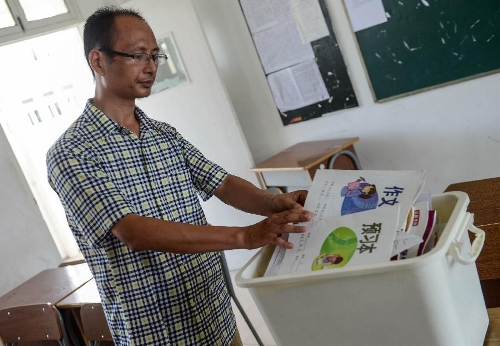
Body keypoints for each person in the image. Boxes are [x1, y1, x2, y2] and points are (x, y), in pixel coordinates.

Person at [46, 6, 313, 346]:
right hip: (156, 333)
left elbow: (222, 182)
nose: (152, 67)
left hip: (212, 314)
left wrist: (274, 202)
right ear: (98, 61)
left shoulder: (164, 135)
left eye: (156, 56)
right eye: (138, 55)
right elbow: (132, 231)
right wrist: (244, 237)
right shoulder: (71, 153)